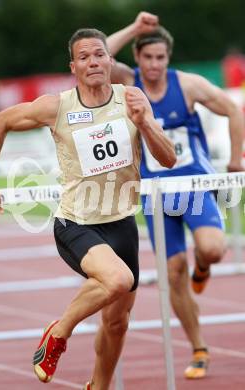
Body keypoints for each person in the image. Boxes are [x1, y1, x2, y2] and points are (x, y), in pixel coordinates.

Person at [0, 27, 176, 389]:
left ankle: (98, 386)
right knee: (118, 280)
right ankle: (58, 332)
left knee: (117, 324)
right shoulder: (59, 106)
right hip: (76, 223)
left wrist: (144, 122)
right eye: (84, 57)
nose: (93, 62)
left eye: (99, 54)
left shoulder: (131, 98)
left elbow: (168, 158)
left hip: (121, 223)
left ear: (110, 60)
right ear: (74, 66)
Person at [107, 12, 245, 379]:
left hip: (195, 186)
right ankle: (199, 347)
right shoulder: (126, 82)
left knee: (214, 249)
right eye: (148, 57)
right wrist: (136, 28)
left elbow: (232, 108)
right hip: (156, 194)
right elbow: (97, 54)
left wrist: (235, 159)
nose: (154, 65)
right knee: (172, 272)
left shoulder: (187, 85)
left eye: (160, 58)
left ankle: (203, 266)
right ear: (137, 57)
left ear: (168, 58)